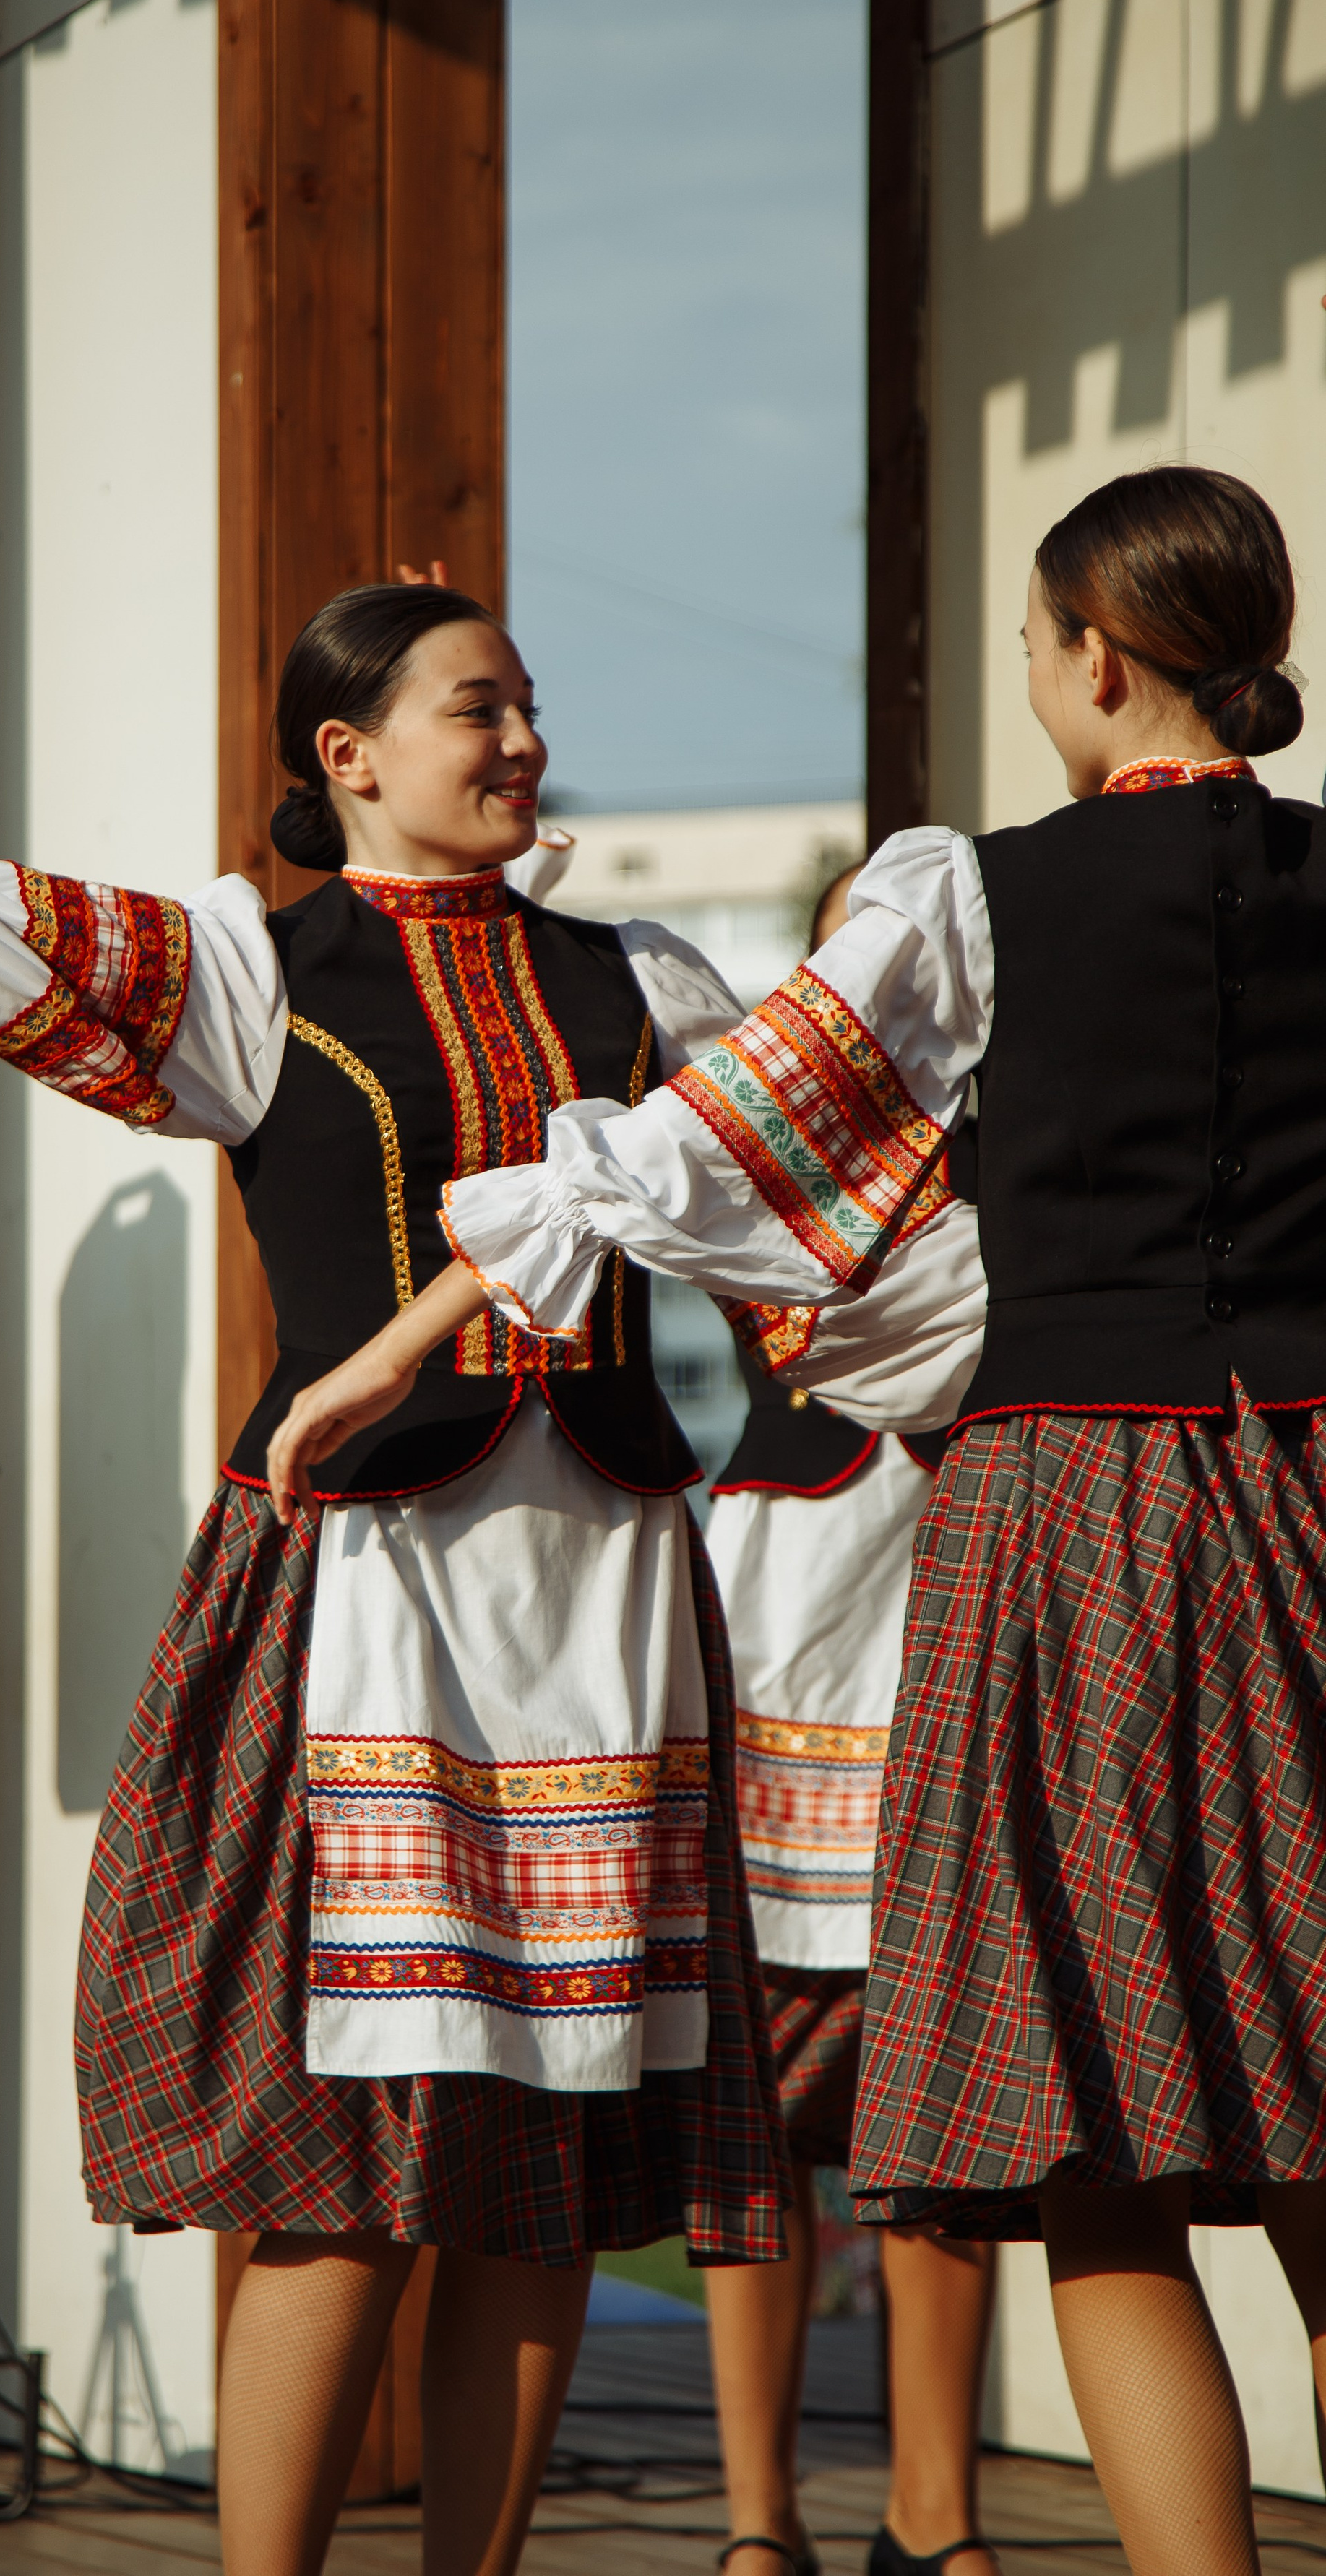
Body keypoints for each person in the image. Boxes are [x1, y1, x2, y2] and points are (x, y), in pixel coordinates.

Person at [0, 457, 953, 2576]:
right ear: (350, 753)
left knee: (552, 2165)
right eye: (477, 707)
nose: (524, 741)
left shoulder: (641, 980)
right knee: (347, 2166)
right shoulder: (248, 965)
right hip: (377, 1599)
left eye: (526, 705)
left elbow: (838, 1197)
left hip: (602, 1592)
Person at [269, 465, 1326, 2576]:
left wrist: (406, 1338)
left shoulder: (972, 893)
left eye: (1035, 648)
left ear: (1098, 659)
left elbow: (710, 1145)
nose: (1037, 676)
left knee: (1103, 2155)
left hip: (1082, 1512)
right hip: (1308, 1486)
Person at [703, 862, 996, 2576]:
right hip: (791, 1608)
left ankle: (932, 2517)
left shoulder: (1025, 1135)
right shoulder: (760, 1135)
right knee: (754, 2113)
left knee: (935, 2112)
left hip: (958, 1604)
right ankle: (756, 2524)